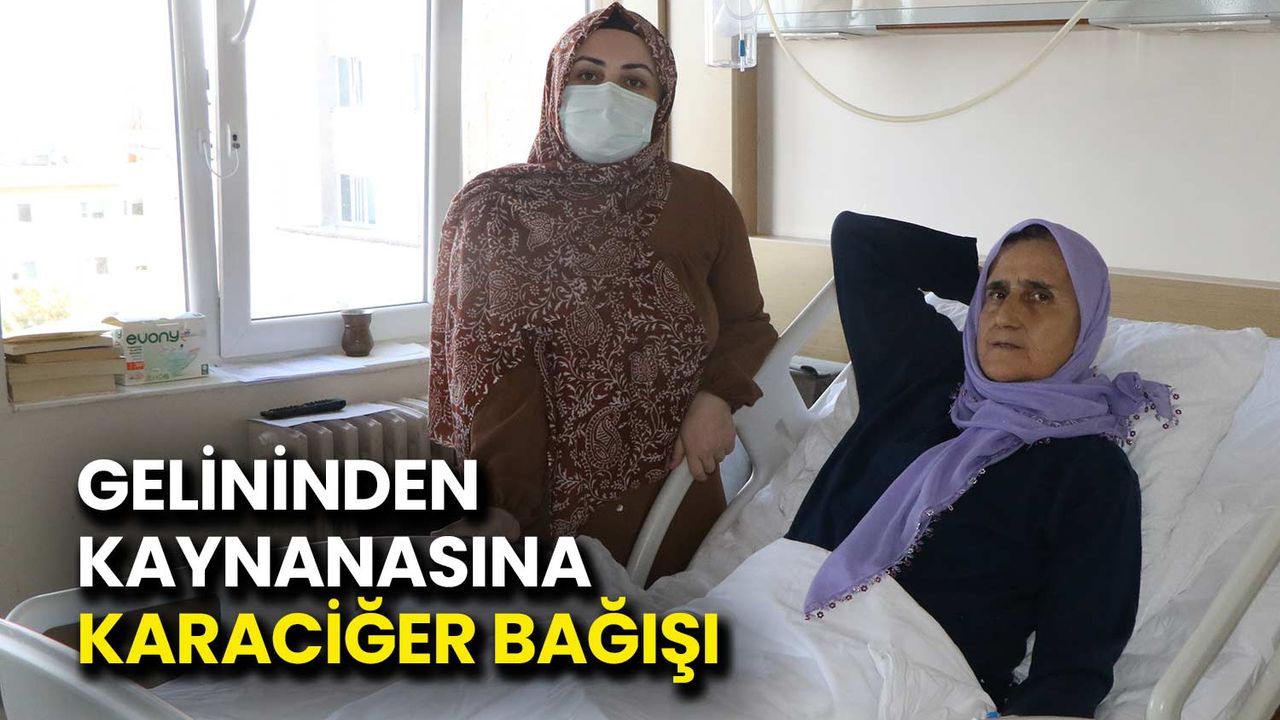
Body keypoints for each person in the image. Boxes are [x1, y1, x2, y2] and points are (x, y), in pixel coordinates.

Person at [429, 4, 776, 581]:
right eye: (587, 75)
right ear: (555, 88)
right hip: (536, 502)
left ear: (661, 101)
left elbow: (748, 325)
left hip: (678, 479)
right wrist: (500, 506)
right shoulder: (498, 210)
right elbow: (494, 375)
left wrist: (717, 399)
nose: (609, 95)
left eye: (634, 82)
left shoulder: (703, 202)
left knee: (678, 627)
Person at [788, 213, 1175, 717]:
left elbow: (1074, 664)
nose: (1007, 316)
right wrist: (979, 277)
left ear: (1086, 326)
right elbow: (859, 241)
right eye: (997, 293)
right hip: (768, 623)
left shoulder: (1090, 473)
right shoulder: (920, 375)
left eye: (1040, 296)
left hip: (902, 688)